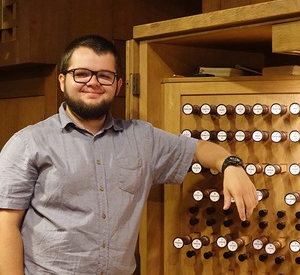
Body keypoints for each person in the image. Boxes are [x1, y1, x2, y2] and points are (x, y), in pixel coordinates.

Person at [0, 35, 258, 275]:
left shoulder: (141, 137)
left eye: (104, 75)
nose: (93, 82)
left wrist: (231, 165)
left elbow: (200, 149)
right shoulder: (28, 142)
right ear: (62, 80)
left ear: (118, 84)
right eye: (81, 74)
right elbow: (5, 226)